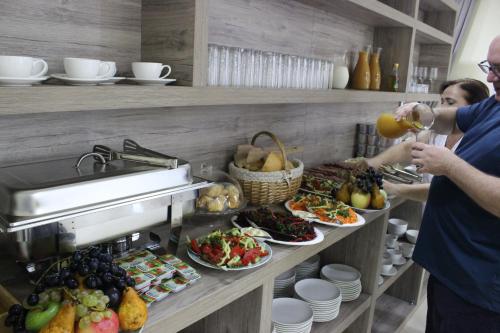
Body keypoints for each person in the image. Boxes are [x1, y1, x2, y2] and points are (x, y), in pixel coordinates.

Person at [396, 35, 500, 332]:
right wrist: (423, 112)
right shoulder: (494, 105)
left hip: (480, 286)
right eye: (489, 66)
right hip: (450, 268)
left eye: (499, 69)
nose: (491, 77)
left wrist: (450, 165)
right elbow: (449, 118)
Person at [367, 78, 490, 202]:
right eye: (441, 101)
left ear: (473, 109)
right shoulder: (437, 133)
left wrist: (394, 188)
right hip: (431, 214)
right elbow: (406, 148)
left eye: (450, 102)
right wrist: (372, 163)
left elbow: (449, 190)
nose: (441, 108)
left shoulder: (479, 144)